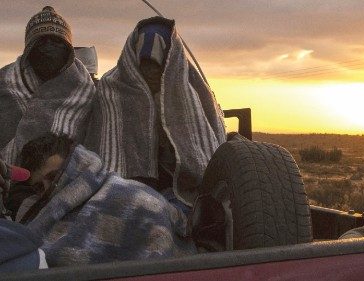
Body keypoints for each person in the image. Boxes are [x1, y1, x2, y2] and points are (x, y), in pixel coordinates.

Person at [85, 17, 226, 209]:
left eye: (158, 64)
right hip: (120, 188)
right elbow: (104, 153)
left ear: (171, 61)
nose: (151, 71)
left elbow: (200, 155)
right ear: (133, 58)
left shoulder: (190, 93)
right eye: (145, 63)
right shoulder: (112, 90)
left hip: (177, 188)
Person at [15, 133, 196, 267]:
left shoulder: (133, 198)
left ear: (76, 165)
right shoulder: (37, 213)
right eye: (39, 186)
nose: (48, 189)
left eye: (55, 177)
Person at [0, 6, 95, 165]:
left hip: (67, 179)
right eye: (42, 41)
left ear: (68, 49)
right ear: (30, 49)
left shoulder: (86, 93)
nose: (49, 47)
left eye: (56, 41)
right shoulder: (4, 84)